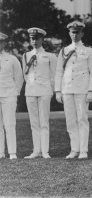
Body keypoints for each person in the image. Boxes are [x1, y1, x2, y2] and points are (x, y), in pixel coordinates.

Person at [54, 21, 92, 159]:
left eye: (77, 32)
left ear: (82, 33)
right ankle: (74, 149)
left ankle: (83, 150)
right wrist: (58, 91)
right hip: (67, 89)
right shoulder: (64, 51)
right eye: (72, 32)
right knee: (70, 120)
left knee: (82, 119)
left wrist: (91, 91)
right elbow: (59, 72)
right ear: (69, 33)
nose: (75, 34)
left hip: (82, 89)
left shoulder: (89, 51)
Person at [22, 27, 57, 159]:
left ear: (42, 39)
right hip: (30, 91)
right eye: (32, 38)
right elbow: (25, 75)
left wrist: (51, 90)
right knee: (34, 122)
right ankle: (36, 151)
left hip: (44, 91)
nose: (34, 41)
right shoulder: (26, 56)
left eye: (37, 38)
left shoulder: (50, 56)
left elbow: (53, 76)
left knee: (44, 122)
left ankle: (45, 151)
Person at [0, 32, 23, 159]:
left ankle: (12, 152)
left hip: (9, 94)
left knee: (9, 123)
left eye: (0, 42)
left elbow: (19, 78)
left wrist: (15, 93)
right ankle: (0, 152)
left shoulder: (12, 59)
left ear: (4, 43)